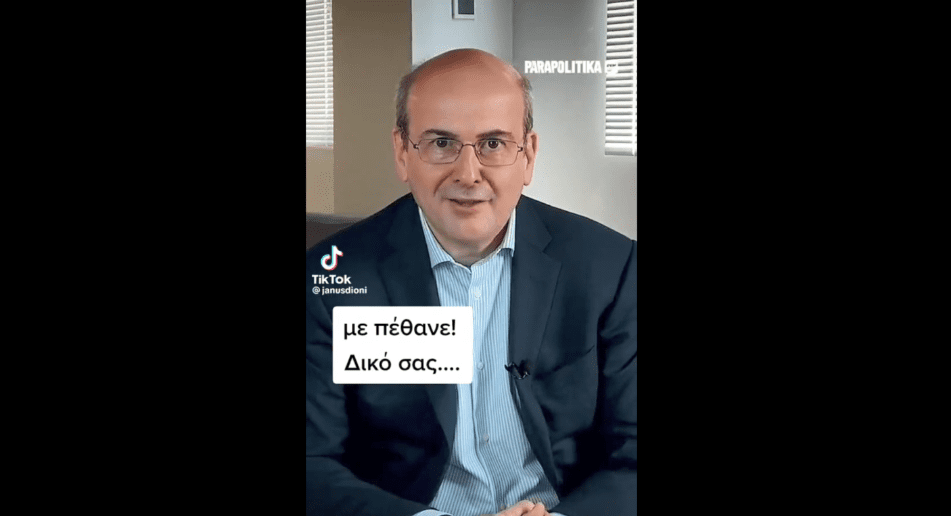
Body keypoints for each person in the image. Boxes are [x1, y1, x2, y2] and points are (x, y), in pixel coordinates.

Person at [306, 49, 637, 516]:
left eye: (493, 143)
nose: (467, 174)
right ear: (403, 153)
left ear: (529, 156)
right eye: (441, 142)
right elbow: (314, 462)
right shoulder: (332, 279)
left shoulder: (610, 267)